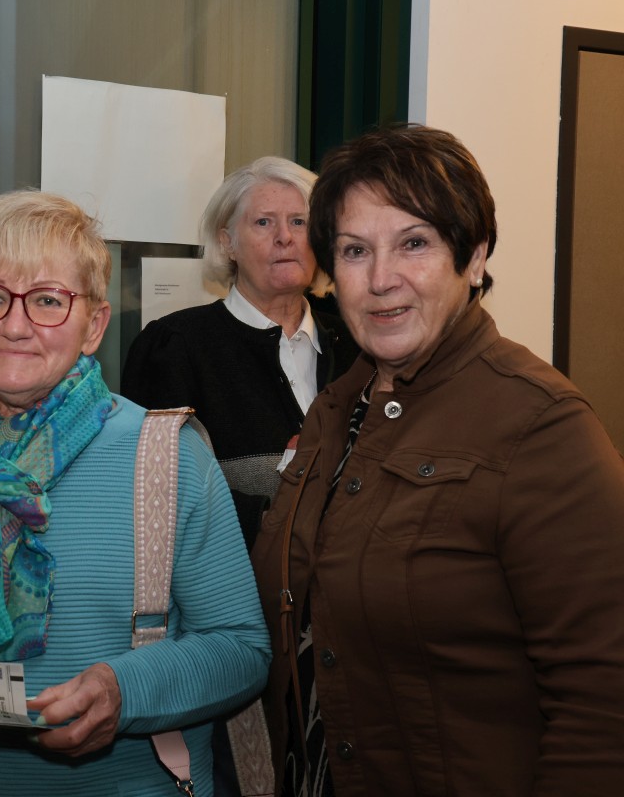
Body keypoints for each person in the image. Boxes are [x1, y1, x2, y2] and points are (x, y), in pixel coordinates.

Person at [252, 123, 624, 796]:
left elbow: (603, 701)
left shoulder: (540, 426)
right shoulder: (336, 410)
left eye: (414, 243)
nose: (381, 279)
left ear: (473, 258)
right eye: (355, 251)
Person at [0, 190, 270, 796]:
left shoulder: (166, 458)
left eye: (47, 300)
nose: (15, 326)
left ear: (93, 326)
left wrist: (125, 692)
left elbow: (241, 649)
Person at [122, 157, 359, 548]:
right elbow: (156, 494)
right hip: (234, 580)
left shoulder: (359, 344)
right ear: (226, 243)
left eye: (299, 222)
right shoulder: (174, 346)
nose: (284, 237)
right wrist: (273, 517)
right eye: (263, 222)